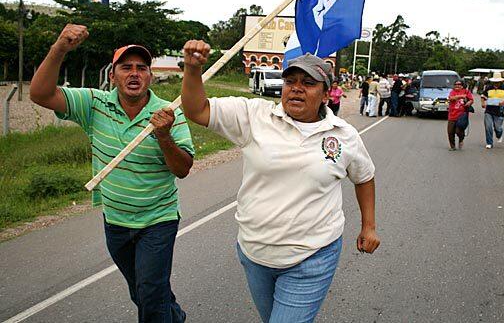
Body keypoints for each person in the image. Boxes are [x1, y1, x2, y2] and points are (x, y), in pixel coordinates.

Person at [181, 47, 380, 323]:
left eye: (308, 83)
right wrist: (193, 69)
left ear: (325, 95)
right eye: (290, 82)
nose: (296, 89)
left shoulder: (343, 135)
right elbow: (196, 109)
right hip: (254, 253)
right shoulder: (255, 116)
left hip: (312, 256)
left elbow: (364, 176)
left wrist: (368, 226)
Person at [29, 24, 195, 323]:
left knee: (149, 293)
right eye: (126, 67)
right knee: (143, 291)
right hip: (115, 221)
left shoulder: (169, 112)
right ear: (112, 75)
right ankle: (175, 318)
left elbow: (182, 169)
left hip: (158, 220)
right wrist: (60, 48)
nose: (134, 73)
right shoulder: (95, 104)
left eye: (142, 68)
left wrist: (164, 136)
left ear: (150, 76)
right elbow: (40, 94)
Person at [481, 72, 504, 149]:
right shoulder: (488, 88)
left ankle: (499, 134)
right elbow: (483, 96)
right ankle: (489, 142)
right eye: (495, 82)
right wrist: (483, 103)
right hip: (489, 110)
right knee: (488, 126)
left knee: (498, 128)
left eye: (498, 82)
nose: (496, 83)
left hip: (499, 110)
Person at [447, 79, 474, 150]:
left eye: (459, 84)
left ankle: (461, 139)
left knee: (459, 131)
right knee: (450, 132)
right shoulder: (452, 92)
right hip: (452, 114)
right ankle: (452, 146)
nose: (457, 86)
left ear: (462, 85)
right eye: (456, 84)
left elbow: (471, 99)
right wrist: (461, 96)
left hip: (462, 115)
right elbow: (451, 98)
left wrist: (469, 102)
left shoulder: (466, 91)